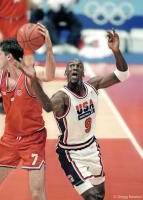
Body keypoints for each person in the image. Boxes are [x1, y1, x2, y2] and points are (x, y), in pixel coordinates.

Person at [20, 30, 129, 200]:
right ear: (66, 74)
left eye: (78, 66)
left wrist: (116, 50)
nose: (74, 68)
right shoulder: (62, 97)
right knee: (91, 196)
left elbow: (122, 74)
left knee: (100, 195)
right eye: (71, 67)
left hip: (92, 148)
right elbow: (48, 107)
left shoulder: (93, 85)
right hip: (71, 154)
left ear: (83, 73)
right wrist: (34, 80)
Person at [0, 23, 55, 200]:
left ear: (9, 57)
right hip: (9, 140)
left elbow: (49, 75)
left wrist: (49, 48)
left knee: (37, 194)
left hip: (33, 139)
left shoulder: (30, 74)